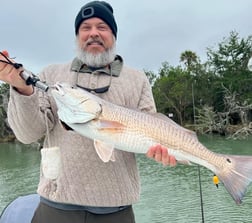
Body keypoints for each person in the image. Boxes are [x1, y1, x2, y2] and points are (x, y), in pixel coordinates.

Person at [0, 1, 176, 222]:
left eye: (102, 27)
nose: (94, 33)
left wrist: (163, 151)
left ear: (113, 34)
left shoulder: (137, 79)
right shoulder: (52, 75)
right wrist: (22, 88)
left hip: (116, 210)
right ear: (77, 36)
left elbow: (152, 129)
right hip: (55, 207)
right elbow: (27, 135)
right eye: (86, 27)